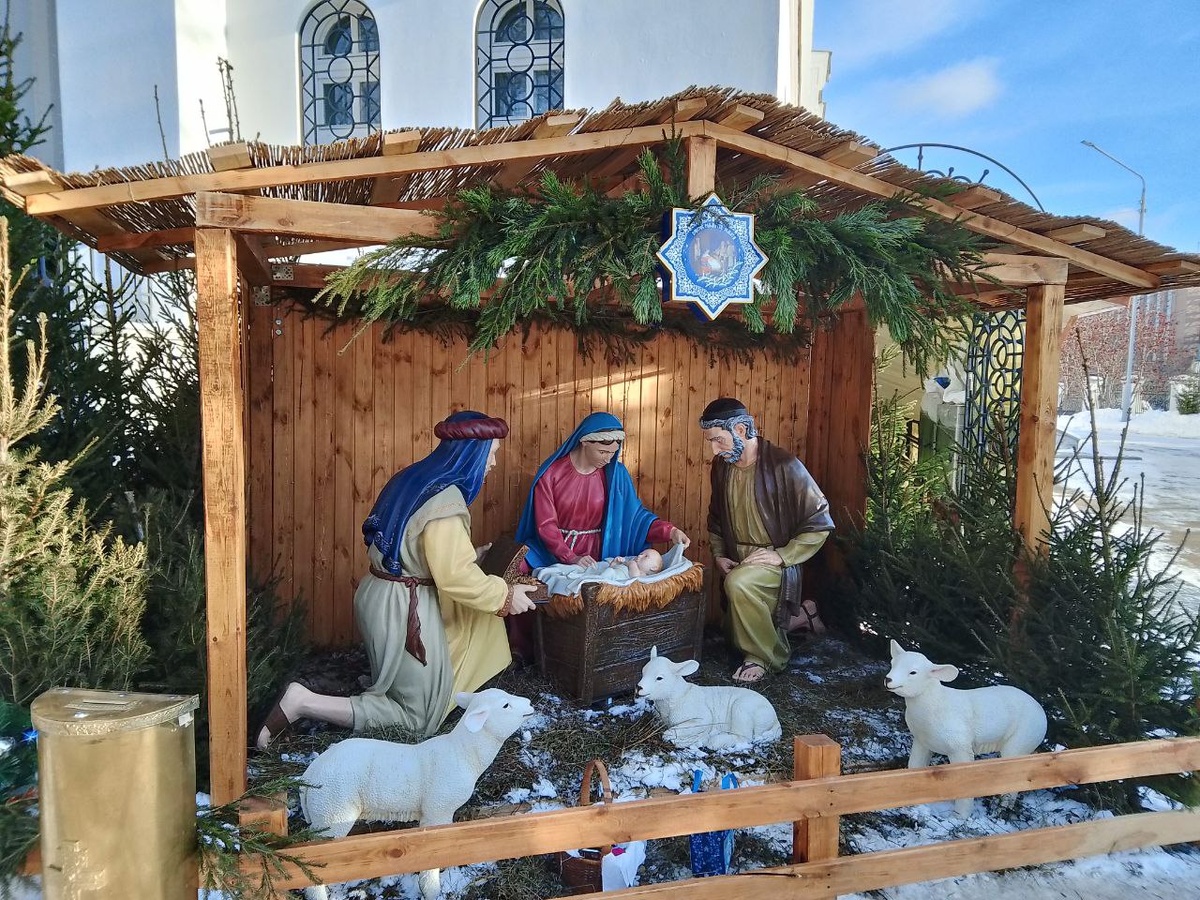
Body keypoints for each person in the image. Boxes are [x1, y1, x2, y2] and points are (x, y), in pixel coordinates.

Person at [255, 410, 538, 749]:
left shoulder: (414, 480)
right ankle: (301, 702)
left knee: (449, 655)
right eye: (491, 455)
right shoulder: (445, 503)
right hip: (403, 611)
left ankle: (419, 690)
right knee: (416, 719)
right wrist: (506, 596)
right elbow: (457, 578)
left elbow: (412, 547)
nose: (492, 465)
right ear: (471, 455)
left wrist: (471, 553)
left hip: (383, 594)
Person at [510, 412, 690, 661]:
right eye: (603, 452)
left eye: (613, 452)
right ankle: (524, 647)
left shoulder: (615, 474)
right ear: (585, 442)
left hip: (599, 547)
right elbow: (546, 525)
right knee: (518, 566)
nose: (608, 458)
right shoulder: (552, 474)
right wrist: (570, 556)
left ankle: (602, 650)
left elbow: (635, 517)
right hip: (554, 546)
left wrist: (669, 531)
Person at [700, 397, 834, 684]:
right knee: (732, 627)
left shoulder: (784, 465)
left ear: (739, 430)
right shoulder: (722, 467)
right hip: (739, 558)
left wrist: (782, 556)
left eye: (718, 440)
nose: (714, 449)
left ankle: (765, 657)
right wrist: (719, 553)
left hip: (779, 561)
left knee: (739, 584)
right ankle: (802, 616)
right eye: (711, 441)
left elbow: (820, 521)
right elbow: (716, 519)